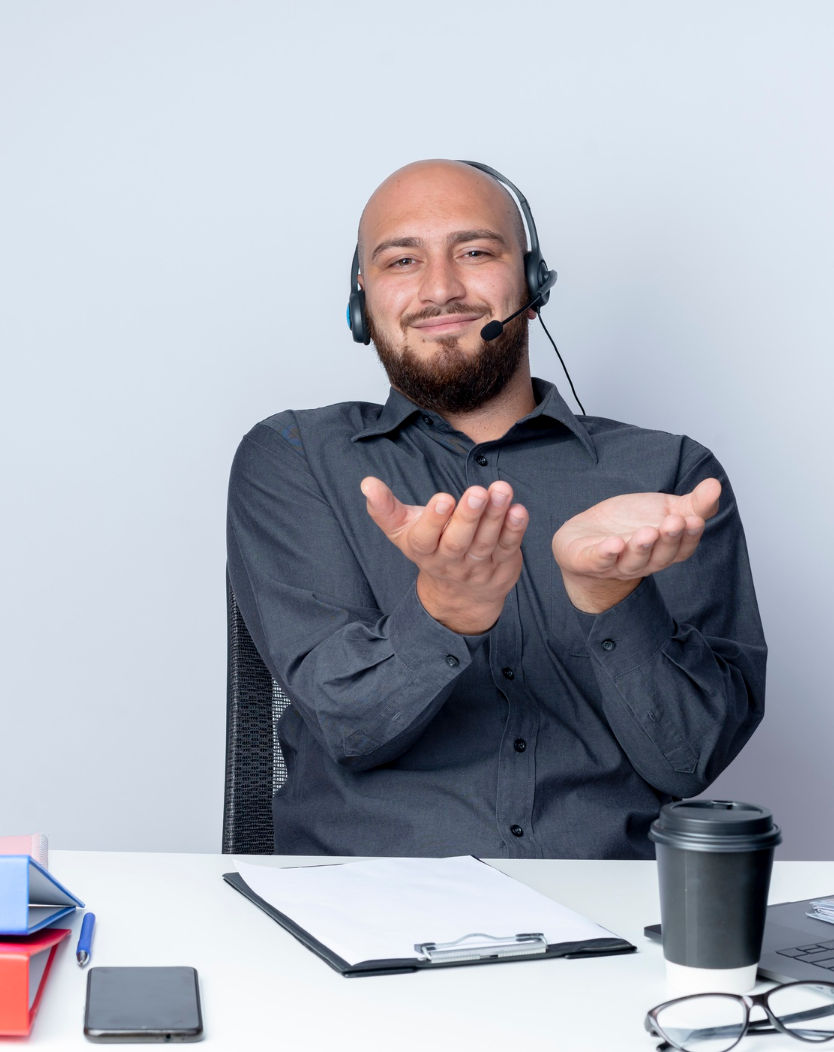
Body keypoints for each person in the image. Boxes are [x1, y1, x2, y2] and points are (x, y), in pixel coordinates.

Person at [227, 160, 765, 859]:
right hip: (365, 916)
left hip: (607, 923)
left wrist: (613, 598)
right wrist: (443, 610)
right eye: (401, 261)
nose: (441, 288)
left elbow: (689, 760)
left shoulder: (669, 479)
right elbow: (347, 728)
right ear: (362, 304)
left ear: (533, 286)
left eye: (476, 252)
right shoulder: (296, 456)